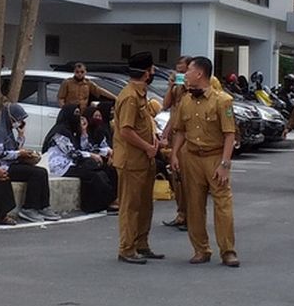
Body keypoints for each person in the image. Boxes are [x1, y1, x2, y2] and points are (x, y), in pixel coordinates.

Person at [170, 56, 240, 267]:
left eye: (189, 71)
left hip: (214, 157)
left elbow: (230, 135)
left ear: (199, 74)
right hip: (192, 157)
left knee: (223, 205)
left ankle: (227, 250)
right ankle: (201, 249)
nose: (186, 75)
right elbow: (181, 131)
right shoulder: (185, 101)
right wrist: (174, 154)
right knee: (194, 205)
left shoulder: (222, 100)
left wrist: (225, 164)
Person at [112, 52, 163, 265]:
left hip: (144, 160)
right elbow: (126, 131)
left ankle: (141, 244)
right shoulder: (130, 97)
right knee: (130, 206)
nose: (153, 73)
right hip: (131, 161)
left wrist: (155, 142)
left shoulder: (140, 95)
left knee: (144, 205)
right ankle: (127, 248)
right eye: (151, 70)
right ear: (145, 73)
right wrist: (148, 147)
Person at [0, 103, 58, 222]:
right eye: (18, 119)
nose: (19, 122)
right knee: (35, 173)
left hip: (12, 164)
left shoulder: (8, 131)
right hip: (3, 167)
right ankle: (29, 208)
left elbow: (15, 148)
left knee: (42, 172)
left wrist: (21, 136)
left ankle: (43, 206)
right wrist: (19, 154)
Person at [44, 104, 116, 213]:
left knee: (104, 170)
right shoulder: (59, 133)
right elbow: (73, 153)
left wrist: (83, 132)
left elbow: (85, 148)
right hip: (62, 167)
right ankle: (96, 205)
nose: (78, 117)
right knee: (93, 175)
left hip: (73, 163)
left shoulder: (72, 131)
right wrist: (91, 155)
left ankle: (110, 200)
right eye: (76, 113)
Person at [159, 55, 191, 229]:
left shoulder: (192, 88)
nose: (179, 69)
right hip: (175, 132)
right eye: (177, 66)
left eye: (183, 67)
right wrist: (171, 86)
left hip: (187, 135)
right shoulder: (176, 86)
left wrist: (187, 86)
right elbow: (167, 106)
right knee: (176, 176)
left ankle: (190, 215)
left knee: (187, 177)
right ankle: (181, 213)